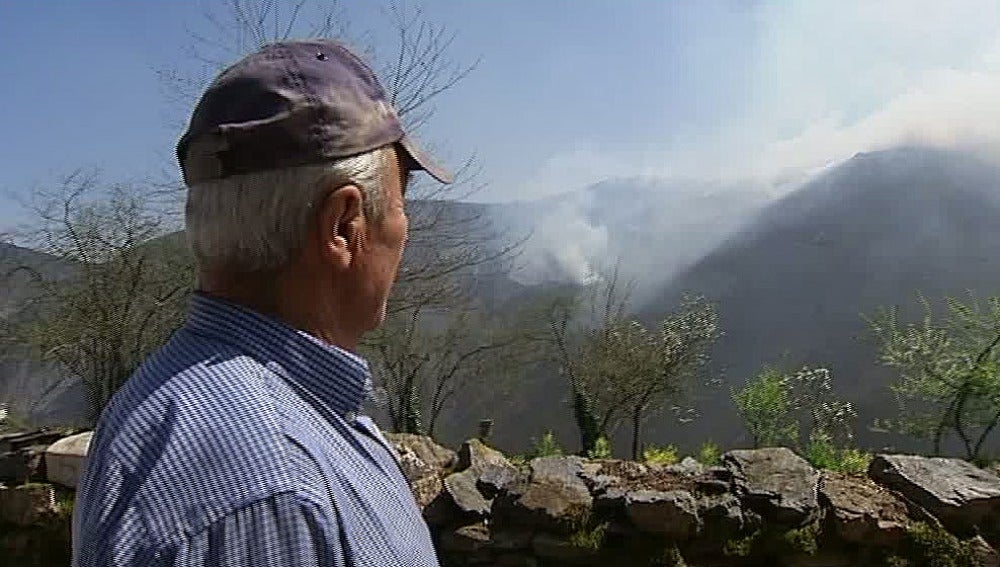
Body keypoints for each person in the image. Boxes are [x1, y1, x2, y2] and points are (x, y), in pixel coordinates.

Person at [72, 39, 453, 567]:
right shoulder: (273, 492)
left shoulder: (169, 398)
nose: (405, 229)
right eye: (400, 199)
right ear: (343, 226)